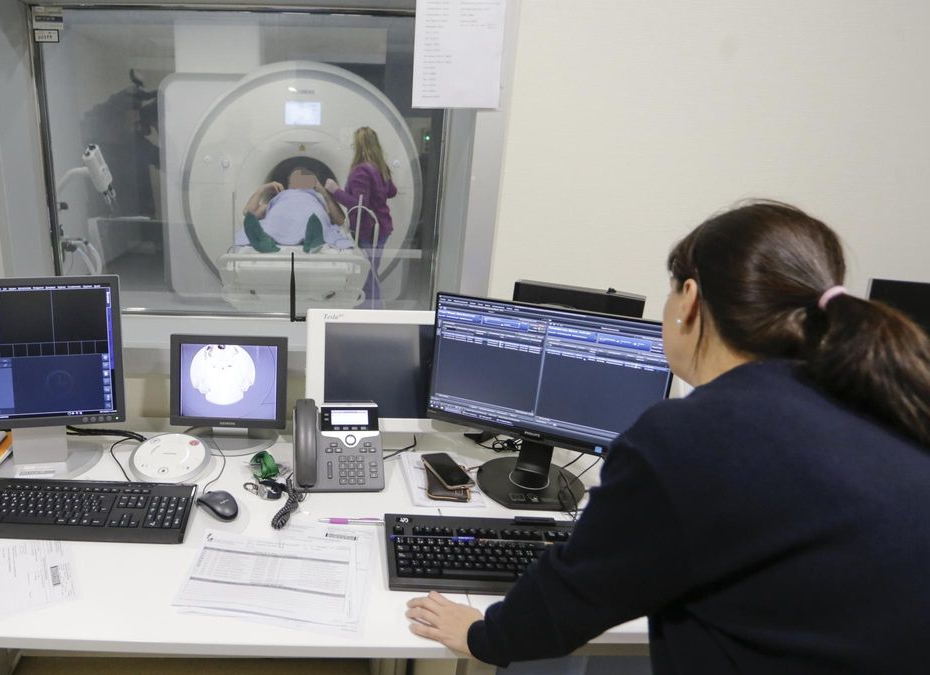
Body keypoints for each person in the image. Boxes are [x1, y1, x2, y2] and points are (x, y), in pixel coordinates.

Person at [404, 201, 930, 673]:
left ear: (690, 301)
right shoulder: (888, 402)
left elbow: (571, 601)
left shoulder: (693, 437)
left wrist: (480, 635)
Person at [326, 127, 398, 308]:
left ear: (358, 146)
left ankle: (373, 313)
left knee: (367, 275)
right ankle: (371, 311)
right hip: (382, 227)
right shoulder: (380, 167)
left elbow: (359, 206)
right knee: (372, 271)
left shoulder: (360, 171)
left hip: (368, 230)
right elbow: (392, 192)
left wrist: (335, 190)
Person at [235, 167, 353, 253]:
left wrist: (323, 191)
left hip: (312, 215)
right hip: (281, 214)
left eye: (305, 178)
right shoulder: (281, 197)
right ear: (289, 183)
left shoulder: (316, 199)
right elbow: (248, 213)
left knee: (316, 220)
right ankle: (265, 239)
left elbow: (340, 220)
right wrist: (263, 189)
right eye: (297, 178)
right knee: (272, 223)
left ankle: (312, 239)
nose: (300, 180)